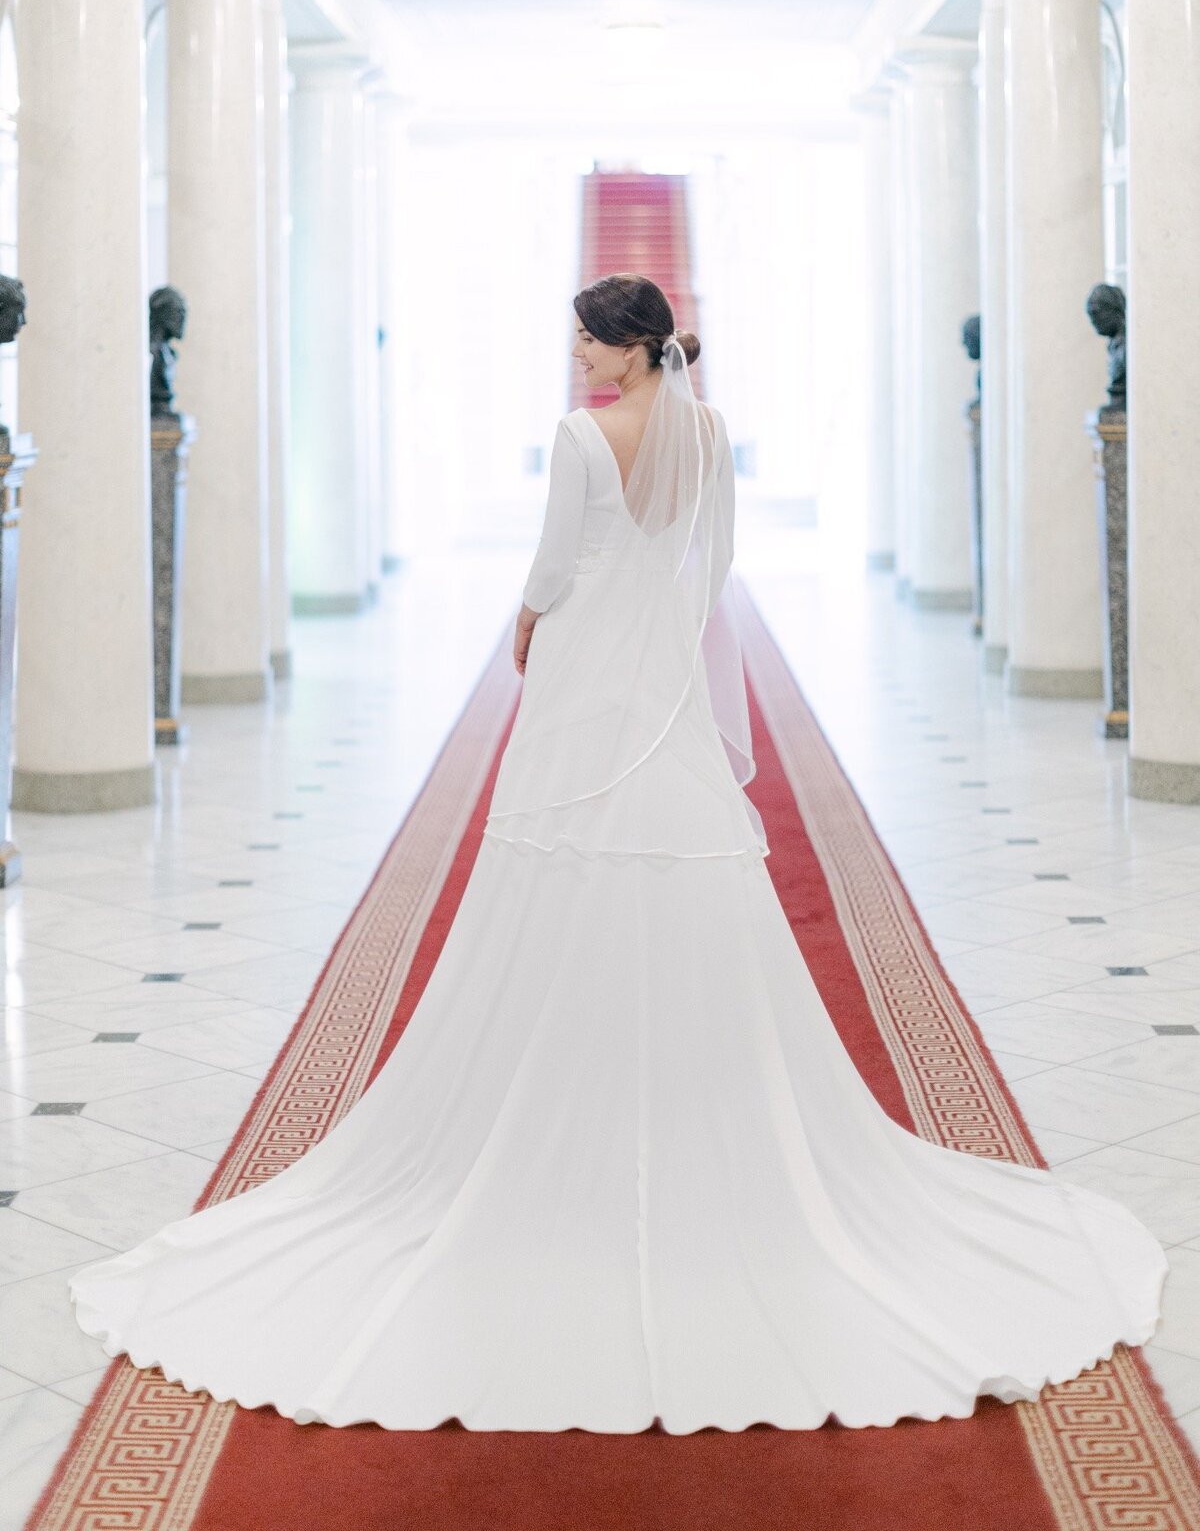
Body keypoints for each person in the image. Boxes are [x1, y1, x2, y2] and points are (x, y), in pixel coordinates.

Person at [67, 273, 1166, 1434]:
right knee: (677, 856)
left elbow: (550, 569)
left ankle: (565, 1100)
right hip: (661, 673)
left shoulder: (583, 440)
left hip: (589, 665)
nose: (578, 357)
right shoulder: (709, 435)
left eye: (588, 340)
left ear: (633, 349)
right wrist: (657, 615)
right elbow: (716, 559)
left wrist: (530, 622)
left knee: (562, 852)